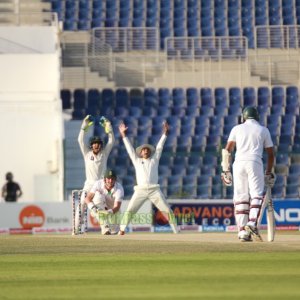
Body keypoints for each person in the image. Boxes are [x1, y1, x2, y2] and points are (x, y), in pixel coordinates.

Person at [221, 106, 275, 242]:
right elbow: (270, 154)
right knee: (257, 194)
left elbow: (227, 150)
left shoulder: (236, 128)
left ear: (243, 117)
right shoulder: (263, 130)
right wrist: (268, 172)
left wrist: (226, 170)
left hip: (238, 164)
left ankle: (242, 232)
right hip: (254, 162)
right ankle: (251, 223)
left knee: (241, 197)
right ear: (257, 117)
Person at [118, 121, 178, 235]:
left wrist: (165, 134)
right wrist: (123, 135)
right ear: (140, 153)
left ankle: (176, 231)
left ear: (150, 152)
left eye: (147, 149)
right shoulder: (137, 161)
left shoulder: (154, 160)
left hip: (154, 190)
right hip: (140, 190)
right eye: (143, 150)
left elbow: (159, 147)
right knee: (130, 210)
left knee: (167, 211)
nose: (145, 150)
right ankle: (121, 230)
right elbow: (130, 150)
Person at [74, 115, 115, 234]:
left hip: (100, 185)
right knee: (81, 204)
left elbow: (112, 141)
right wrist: (84, 126)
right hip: (88, 184)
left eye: (98, 143)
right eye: (94, 143)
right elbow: (80, 141)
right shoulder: (87, 153)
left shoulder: (104, 154)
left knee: (99, 204)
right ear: (91, 145)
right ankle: (76, 229)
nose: (96, 145)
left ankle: (105, 228)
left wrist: (109, 127)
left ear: (101, 145)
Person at [85, 169, 124, 235]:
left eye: (112, 179)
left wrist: (109, 212)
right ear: (104, 179)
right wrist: (92, 207)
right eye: (108, 178)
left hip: (113, 211)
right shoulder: (98, 184)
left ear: (115, 180)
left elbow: (117, 207)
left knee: (114, 232)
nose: (110, 181)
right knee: (98, 196)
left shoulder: (119, 188)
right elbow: (87, 198)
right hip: (99, 208)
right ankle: (105, 228)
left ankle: (109, 228)